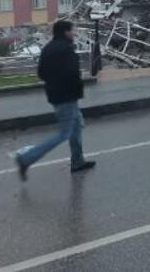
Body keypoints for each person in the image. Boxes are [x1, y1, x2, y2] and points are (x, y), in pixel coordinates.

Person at [15, 20, 95, 181]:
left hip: (56, 95)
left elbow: (41, 73)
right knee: (64, 133)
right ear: (66, 32)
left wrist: (55, 83)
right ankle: (26, 158)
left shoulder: (48, 48)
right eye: (73, 30)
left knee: (77, 125)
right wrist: (74, 87)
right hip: (67, 96)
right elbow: (72, 73)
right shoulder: (66, 49)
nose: (74, 33)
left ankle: (77, 161)